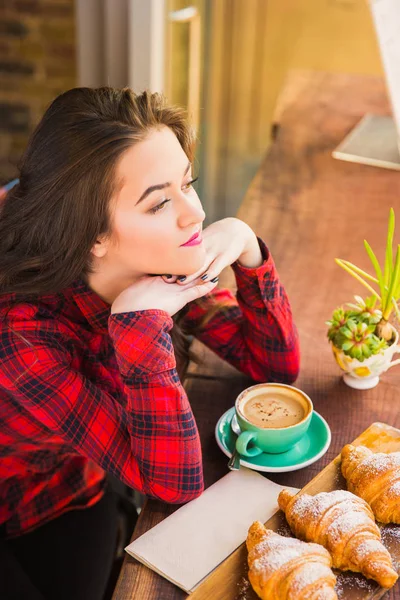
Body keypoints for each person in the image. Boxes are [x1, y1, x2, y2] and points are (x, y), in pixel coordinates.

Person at [0, 87, 300, 600]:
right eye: (161, 202)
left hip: (77, 479)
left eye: (189, 184)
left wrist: (247, 246)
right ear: (91, 232)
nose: (195, 214)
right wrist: (139, 320)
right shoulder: (23, 336)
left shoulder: (158, 258)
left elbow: (274, 364)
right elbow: (176, 483)